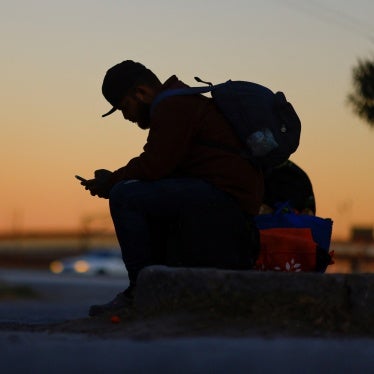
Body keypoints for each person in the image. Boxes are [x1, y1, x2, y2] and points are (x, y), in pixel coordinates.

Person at [79, 60, 264, 316]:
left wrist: (111, 182)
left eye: (125, 107)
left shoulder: (172, 105)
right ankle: (159, 287)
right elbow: (160, 167)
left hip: (226, 201)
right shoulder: (179, 101)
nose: (127, 117)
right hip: (223, 198)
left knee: (126, 196)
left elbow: (154, 165)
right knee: (140, 192)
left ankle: (141, 293)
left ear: (141, 93)